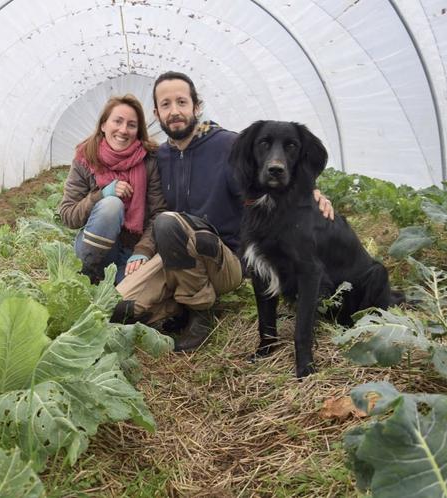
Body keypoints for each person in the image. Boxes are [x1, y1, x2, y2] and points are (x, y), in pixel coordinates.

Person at [113, 71, 334, 352]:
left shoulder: (227, 146)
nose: (175, 111)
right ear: (156, 113)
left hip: (224, 259)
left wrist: (311, 192)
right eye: (165, 105)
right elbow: (155, 212)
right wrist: (143, 251)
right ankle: (174, 307)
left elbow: (272, 177)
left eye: (182, 101)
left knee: (170, 224)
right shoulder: (161, 157)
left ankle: (199, 313)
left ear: (197, 106)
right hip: (176, 252)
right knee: (117, 307)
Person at [58, 94, 168, 284]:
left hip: (132, 252)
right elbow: (68, 215)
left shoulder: (149, 161)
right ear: (103, 125)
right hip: (95, 251)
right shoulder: (85, 159)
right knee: (111, 205)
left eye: (131, 125)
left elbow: (158, 213)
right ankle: (90, 274)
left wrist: (143, 251)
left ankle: (112, 281)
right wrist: (100, 196)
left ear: (138, 131)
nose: (123, 130)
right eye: (117, 121)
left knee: (128, 296)